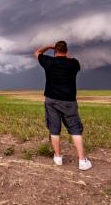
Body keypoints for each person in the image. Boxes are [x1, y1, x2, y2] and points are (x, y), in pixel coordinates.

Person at [34, 41, 92, 171]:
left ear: (55, 51)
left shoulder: (49, 62)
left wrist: (48, 47)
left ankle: (58, 157)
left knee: (54, 128)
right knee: (75, 128)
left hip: (51, 100)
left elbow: (37, 53)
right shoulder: (74, 63)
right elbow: (69, 60)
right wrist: (66, 55)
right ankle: (82, 160)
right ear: (67, 51)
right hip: (69, 102)